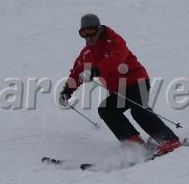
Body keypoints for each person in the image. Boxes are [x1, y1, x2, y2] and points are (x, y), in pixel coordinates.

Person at [59, 13, 182, 155]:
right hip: (119, 90)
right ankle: (134, 143)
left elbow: (116, 59)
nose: (88, 37)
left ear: (99, 29)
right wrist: (67, 91)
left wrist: (96, 70)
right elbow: (76, 73)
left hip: (138, 81)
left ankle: (169, 140)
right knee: (106, 110)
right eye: (84, 34)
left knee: (139, 111)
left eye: (91, 32)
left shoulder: (114, 40)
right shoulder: (86, 54)